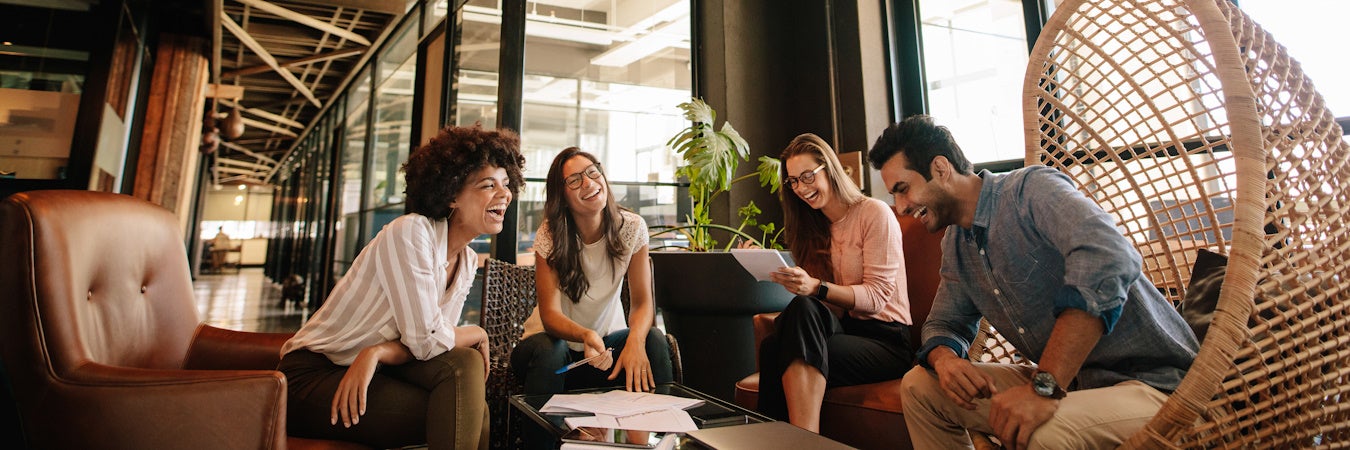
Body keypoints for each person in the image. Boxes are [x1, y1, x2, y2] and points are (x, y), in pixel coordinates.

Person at [869, 115, 1199, 450]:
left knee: (1042, 434)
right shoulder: (956, 244)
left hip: (1154, 385)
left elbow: (1110, 255)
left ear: (940, 168)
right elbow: (944, 322)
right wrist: (946, 359)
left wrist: (1044, 387)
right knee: (919, 387)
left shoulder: (1029, 191)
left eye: (903, 189)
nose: (900, 207)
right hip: (1069, 385)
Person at [278, 125, 525, 450]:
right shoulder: (410, 233)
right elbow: (428, 340)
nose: (504, 194)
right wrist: (478, 333)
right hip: (312, 376)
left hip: (376, 367)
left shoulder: (465, 261)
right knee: (464, 409)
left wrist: (377, 351)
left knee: (465, 368)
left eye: (506, 184)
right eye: (487, 185)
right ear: (451, 194)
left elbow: (433, 344)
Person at [757, 133, 914, 432]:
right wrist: (783, 275)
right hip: (844, 331)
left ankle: (803, 442)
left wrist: (815, 287)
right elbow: (827, 309)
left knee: (780, 343)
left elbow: (877, 297)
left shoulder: (874, 213)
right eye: (793, 181)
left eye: (807, 176)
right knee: (789, 325)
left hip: (887, 342)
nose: (801, 188)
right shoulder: (813, 228)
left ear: (829, 169)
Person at [510, 147, 673, 396]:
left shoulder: (632, 227)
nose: (588, 182)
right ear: (562, 196)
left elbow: (641, 303)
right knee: (549, 349)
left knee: (654, 340)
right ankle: (541, 436)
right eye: (574, 180)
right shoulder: (551, 233)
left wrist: (635, 342)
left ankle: (664, 429)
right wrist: (586, 335)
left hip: (602, 354)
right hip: (549, 353)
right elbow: (550, 315)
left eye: (592, 172)